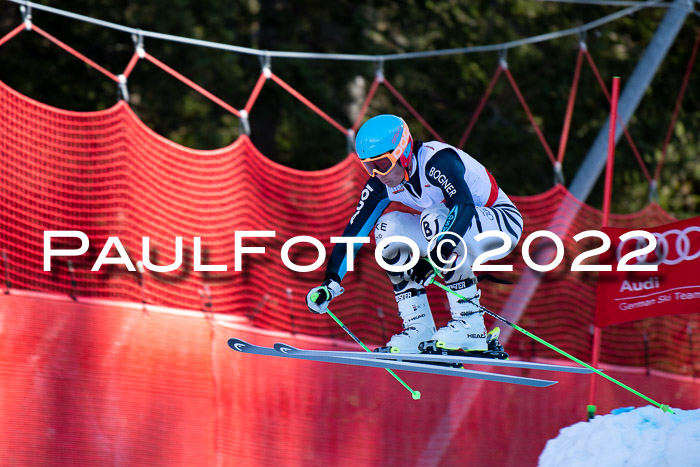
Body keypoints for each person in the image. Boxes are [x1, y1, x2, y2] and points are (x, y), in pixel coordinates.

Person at [306, 114, 523, 355]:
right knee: (387, 230)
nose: (378, 174)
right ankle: (419, 327)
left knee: (434, 217)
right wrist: (330, 283)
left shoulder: (437, 161)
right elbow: (354, 234)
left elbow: (463, 207)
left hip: (501, 224)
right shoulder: (381, 185)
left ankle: (470, 326)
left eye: (383, 164)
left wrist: (432, 261)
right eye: (369, 166)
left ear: (404, 152)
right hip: (455, 230)